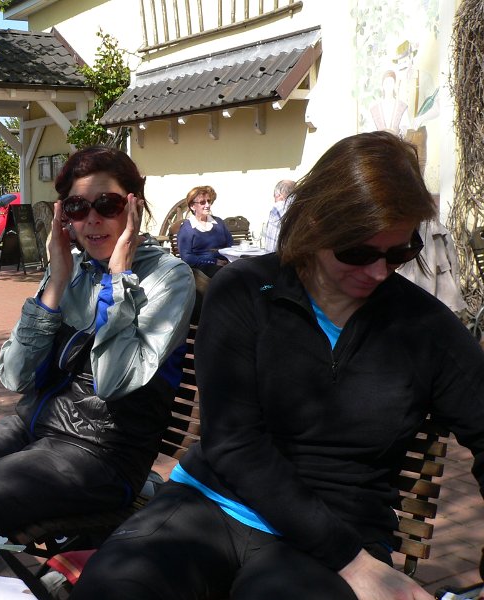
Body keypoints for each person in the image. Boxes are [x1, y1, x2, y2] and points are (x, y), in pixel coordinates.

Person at [71, 131, 484, 600]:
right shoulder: (246, 290)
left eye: (399, 252)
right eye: (358, 252)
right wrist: (351, 563)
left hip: (340, 527)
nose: (378, 271)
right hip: (212, 504)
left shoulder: (424, 328)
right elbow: (233, 442)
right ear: (315, 222)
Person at [0, 146, 196, 535]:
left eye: (107, 204)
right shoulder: (71, 267)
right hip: (31, 427)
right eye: (77, 207)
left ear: (134, 207)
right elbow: (15, 376)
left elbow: (112, 383)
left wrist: (119, 279)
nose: (92, 219)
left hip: (101, 454)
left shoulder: (168, 277)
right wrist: (56, 282)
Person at [176, 185, 233, 277]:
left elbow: (230, 245)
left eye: (208, 201)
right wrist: (214, 261)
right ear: (192, 206)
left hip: (226, 265)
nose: (207, 205)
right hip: (202, 269)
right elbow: (187, 258)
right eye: (202, 202)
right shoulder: (187, 228)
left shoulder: (218, 222)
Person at [262, 178, 295, 251]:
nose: (274, 200)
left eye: (274, 196)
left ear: (279, 195)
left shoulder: (279, 207)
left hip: (280, 255)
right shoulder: (303, 206)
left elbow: (271, 247)